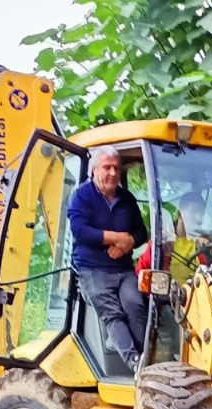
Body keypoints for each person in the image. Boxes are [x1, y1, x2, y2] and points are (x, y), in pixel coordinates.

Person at [68, 147, 150, 371]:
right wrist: (116, 238)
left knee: (135, 305)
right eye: (107, 167)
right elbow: (80, 231)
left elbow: (142, 232)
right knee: (112, 313)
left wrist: (128, 244)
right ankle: (134, 363)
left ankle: (147, 360)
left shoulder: (127, 199)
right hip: (92, 269)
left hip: (123, 269)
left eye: (116, 167)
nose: (113, 173)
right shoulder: (81, 196)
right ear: (94, 170)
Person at [136, 192, 212, 282]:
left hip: (201, 293)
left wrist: (209, 252)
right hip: (170, 294)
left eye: (201, 213)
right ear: (179, 214)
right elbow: (140, 272)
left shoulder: (205, 240)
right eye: (193, 211)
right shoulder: (163, 240)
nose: (198, 217)